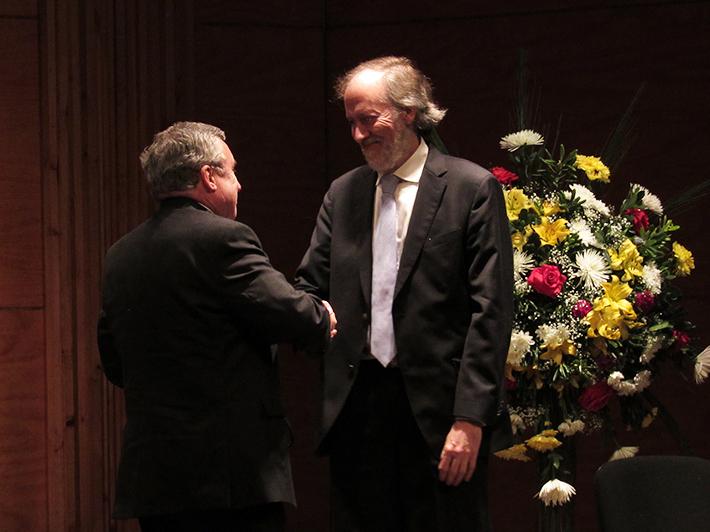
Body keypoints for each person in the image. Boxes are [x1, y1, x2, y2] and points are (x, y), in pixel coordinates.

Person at [295, 56, 513, 531]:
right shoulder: (344, 193)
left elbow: (491, 310)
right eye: (351, 122)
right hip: (358, 412)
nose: (357, 134)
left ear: (409, 112)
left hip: (440, 417)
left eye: (368, 119)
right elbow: (310, 287)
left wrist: (470, 419)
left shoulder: (470, 187)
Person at [98, 121, 336, 532]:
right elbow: (289, 312)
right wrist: (323, 316)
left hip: (155, 478)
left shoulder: (120, 254)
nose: (240, 184)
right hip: (229, 477)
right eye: (232, 170)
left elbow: (114, 361)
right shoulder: (223, 239)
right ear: (208, 176)